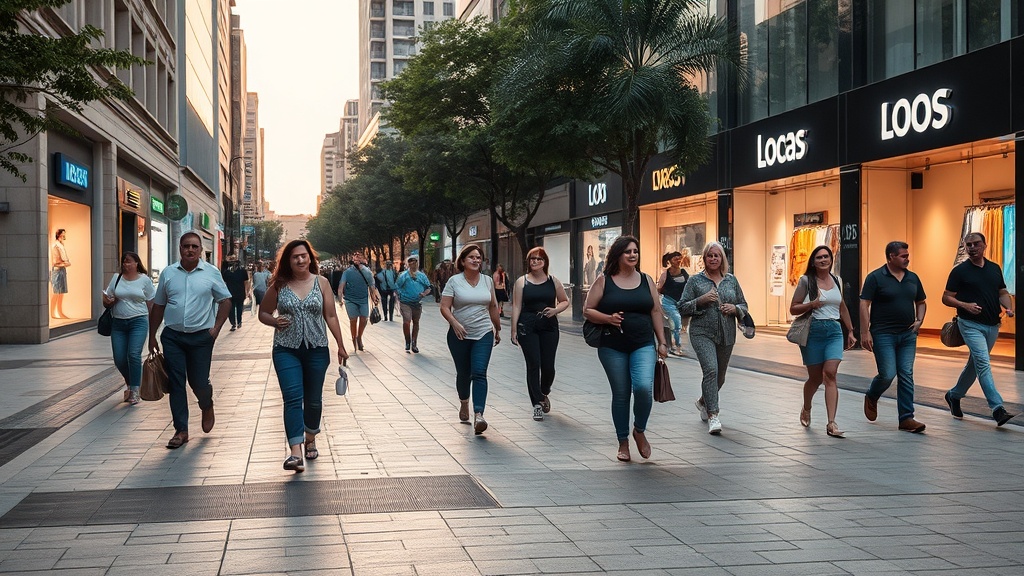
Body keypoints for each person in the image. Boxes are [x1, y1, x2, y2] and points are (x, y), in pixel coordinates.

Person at [259, 240, 348, 473]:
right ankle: (295, 452)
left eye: (303, 255)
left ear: (310, 258)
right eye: (295, 257)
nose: (300, 260)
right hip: (285, 349)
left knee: (313, 400)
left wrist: (340, 345)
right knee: (292, 397)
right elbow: (263, 312)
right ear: (288, 261)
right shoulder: (279, 285)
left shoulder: (322, 283)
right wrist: (274, 321)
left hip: (317, 349)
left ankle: (310, 438)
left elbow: (330, 315)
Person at [583, 235, 668, 462]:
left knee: (643, 388)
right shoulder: (604, 280)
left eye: (635, 251)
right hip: (612, 346)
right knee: (621, 394)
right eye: (628, 251)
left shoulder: (646, 280)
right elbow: (587, 310)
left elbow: (655, 311)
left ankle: (639, 430)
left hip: (643, 344)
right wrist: (608, 318)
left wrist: (662, 341)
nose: (632, 255)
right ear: (618, 255)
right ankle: (623, 441)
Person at [149, 231, 232, 449]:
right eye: (186, 246)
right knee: (176, 382)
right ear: (180, 249)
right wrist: (152, 336)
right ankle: (181, 430)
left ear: (201, 249)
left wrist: (215, 329)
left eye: (195, 246)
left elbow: (225, 301)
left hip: (201, 337)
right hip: (173, 337)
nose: (190, 250)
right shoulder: (168, 273)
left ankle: (206, 404)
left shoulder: (211, 273)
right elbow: (159, 305)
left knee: (198, 382)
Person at [942, 232, 1017, 426]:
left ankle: (954, 395)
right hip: (969, 324)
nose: (972, 248)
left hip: (992, 325)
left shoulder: (994, 268)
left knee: (975, 364)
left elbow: (1002, 291)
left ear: (984, 245)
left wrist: (1008, 307)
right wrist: (965, 305)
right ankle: (997, 408)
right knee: (983, 363)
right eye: (968, 245)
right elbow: (946, 297)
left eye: (976, 244)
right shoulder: (960, 271)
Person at [678, 242, 748, 435]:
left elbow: (744, 304)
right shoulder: (695, 281)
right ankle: (713, 415)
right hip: (701, 333)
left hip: (726, 334)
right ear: (705, 258)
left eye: (717, 255)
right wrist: (700, 300)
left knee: (720, 376)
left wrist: (735, 309)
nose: (713, 259)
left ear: (722, 258)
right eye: (710, 255)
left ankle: (703, 401)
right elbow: (682, 306)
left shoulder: (731, 280)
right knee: (711, 370)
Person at [860, 241, 928, 433]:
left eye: (907, 255)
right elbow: (864, 304)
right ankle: (872, 395)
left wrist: (919, 320)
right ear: (891, 257)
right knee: (888, 374)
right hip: (883, 334)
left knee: (906, 374)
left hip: (908, 334)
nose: (907, 259)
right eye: (903, 256)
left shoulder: (913, 278)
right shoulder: (875, 277)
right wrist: (865, 332)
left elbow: (921, 301)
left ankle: (906, 418)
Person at [790, 245, 857, 438]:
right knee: (815, 378)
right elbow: (793, 308)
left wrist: (850, 331)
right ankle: (807, 407)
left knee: (830, 374)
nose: (823, 260)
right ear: (813, 261)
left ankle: (831, 423)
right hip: (813, 331)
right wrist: (812, 304)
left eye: (826, 256)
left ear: (831, 259)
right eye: (819, 257)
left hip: (834, 331)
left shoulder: (837, 280)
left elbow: (842, 307)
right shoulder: (806, 281)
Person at [440, 244, 501, 435]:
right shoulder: (454, 281)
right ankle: (464, 402)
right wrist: (454, 323)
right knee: (464, 373)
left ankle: (479, 414)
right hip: (459, 335)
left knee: (479, 373)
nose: (476, 260)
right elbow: (444, 306)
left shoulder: (487, 281)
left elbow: (493, 306)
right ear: (463, 261)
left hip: (483, 332)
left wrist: (497, 328)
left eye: (478, 257)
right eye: (472, 257)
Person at [510, 247, 570, 421]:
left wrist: (555, 310)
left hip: (549, 326)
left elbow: (565, 301)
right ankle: (536, 404)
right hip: (527, 326)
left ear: (545, 262)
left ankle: (544, 392)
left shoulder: (553, 281)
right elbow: (516, 306)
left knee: (548, 367)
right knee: (533, 364)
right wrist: (513, 329)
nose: (535, 261)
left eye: (539, 259)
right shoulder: (522, 282)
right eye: (532, 259)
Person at [103, 252, 155, 405]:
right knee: (119, 359)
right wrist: (109, 301)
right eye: (124, 262)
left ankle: (135, 390)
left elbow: (151, 302)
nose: (126, 264)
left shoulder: (144, 280)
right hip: (118, 323)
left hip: (138, 321)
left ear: (137, 263)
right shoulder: (116, 278)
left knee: (133, 354)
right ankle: (131, 382)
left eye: (129, 261)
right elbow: (107, 299)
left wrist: (153, 325)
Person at [337, 252, 380, 351]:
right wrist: (340, 299)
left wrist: (374, 298)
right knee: (353, 320)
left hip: (363, 300)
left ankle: (359, 337)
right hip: (350, 300)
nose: (357, 259)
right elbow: (341, 286)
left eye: (359, 257)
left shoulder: (367, 272)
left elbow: (372, 287)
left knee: (364, 319)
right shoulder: (347, 272)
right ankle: (354, 339)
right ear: (353, 259)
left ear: (363, 259)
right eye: (355, 257)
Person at [396, 256, 432, 353]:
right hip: (405, 302)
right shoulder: (404, 275)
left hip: (417, 302)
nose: (413, 265)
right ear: (408, 264)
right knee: (407, 321)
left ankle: (414, 343)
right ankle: (407, 341)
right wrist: (399, 295)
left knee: (416, 322)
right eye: (411, 263)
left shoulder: (422, 276)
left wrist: (424, 293)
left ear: (417, 263)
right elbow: (397, 286)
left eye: (415, 263)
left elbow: (428, 287)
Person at [657, 251, 689, 357]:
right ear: (670, 261)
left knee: (677, 326)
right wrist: (657, 304)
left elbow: (689, 286)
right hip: (668, 302)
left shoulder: (684, 273)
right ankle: (677, 347)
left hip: (681, 303)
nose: (678, 261)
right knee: (676, 323)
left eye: (679, 259)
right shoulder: (666, 274)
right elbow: (658, 289)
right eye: (675, 259)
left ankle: (672, 344)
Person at [221, 255, 249, 331]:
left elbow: (246, 282)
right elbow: (246, 282)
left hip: (236, 293)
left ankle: (236, 322)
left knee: (237, 308)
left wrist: (247, 291)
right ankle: (235, 323)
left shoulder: (229, 272)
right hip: (232, 293)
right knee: (233, 309)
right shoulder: (228, 272)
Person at [50, 229, 70, 319]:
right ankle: (53, 313)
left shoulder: (61, 245)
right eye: (62, 235)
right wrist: (64, 263)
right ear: (59, 235)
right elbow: (55, 261)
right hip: (57, 270)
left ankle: (60, 311)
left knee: (61, 292)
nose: (64, 236)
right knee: (56, 292)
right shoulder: (56, 246)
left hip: (61, 269)